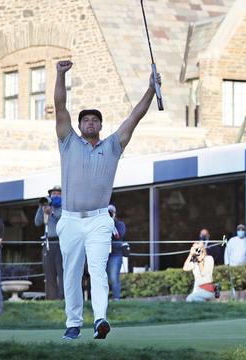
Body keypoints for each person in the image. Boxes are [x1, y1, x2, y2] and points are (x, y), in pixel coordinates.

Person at [54, 60, 161, 340]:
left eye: (95, 120)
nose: (90, 122)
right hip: (70, 219)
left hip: (101, 218)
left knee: (99, 271)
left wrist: (151, 90)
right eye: (85, 120)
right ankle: (73, 323)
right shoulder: (68, 141)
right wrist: (60, 75)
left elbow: (135, 117)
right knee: (72, 273)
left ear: (101, 125)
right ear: (78, 126)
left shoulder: (113, 145)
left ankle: (100, 319)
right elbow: (60, 106)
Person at [34, 185, 64, 300]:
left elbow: (62, 219)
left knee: (61, 272)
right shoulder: (46, 206)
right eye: (53, 194)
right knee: (49, 272)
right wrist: (41, 208)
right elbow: (37, 222)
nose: (55, 196)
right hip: (48, 243)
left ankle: (63, 298)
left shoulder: (64, 206)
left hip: (61, 242)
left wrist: (51, 212)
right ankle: (51, 298)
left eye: (58, 194)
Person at [106, 205, 126, 301]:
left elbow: (119, 235)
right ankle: (103, 300)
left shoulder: (120, 224)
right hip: (103, 254)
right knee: (102, 278)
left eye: (111, 212)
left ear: (114, 213)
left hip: (116, 255)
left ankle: (116, 298)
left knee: (114, 277)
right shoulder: (101, 225)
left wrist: (111, 222)